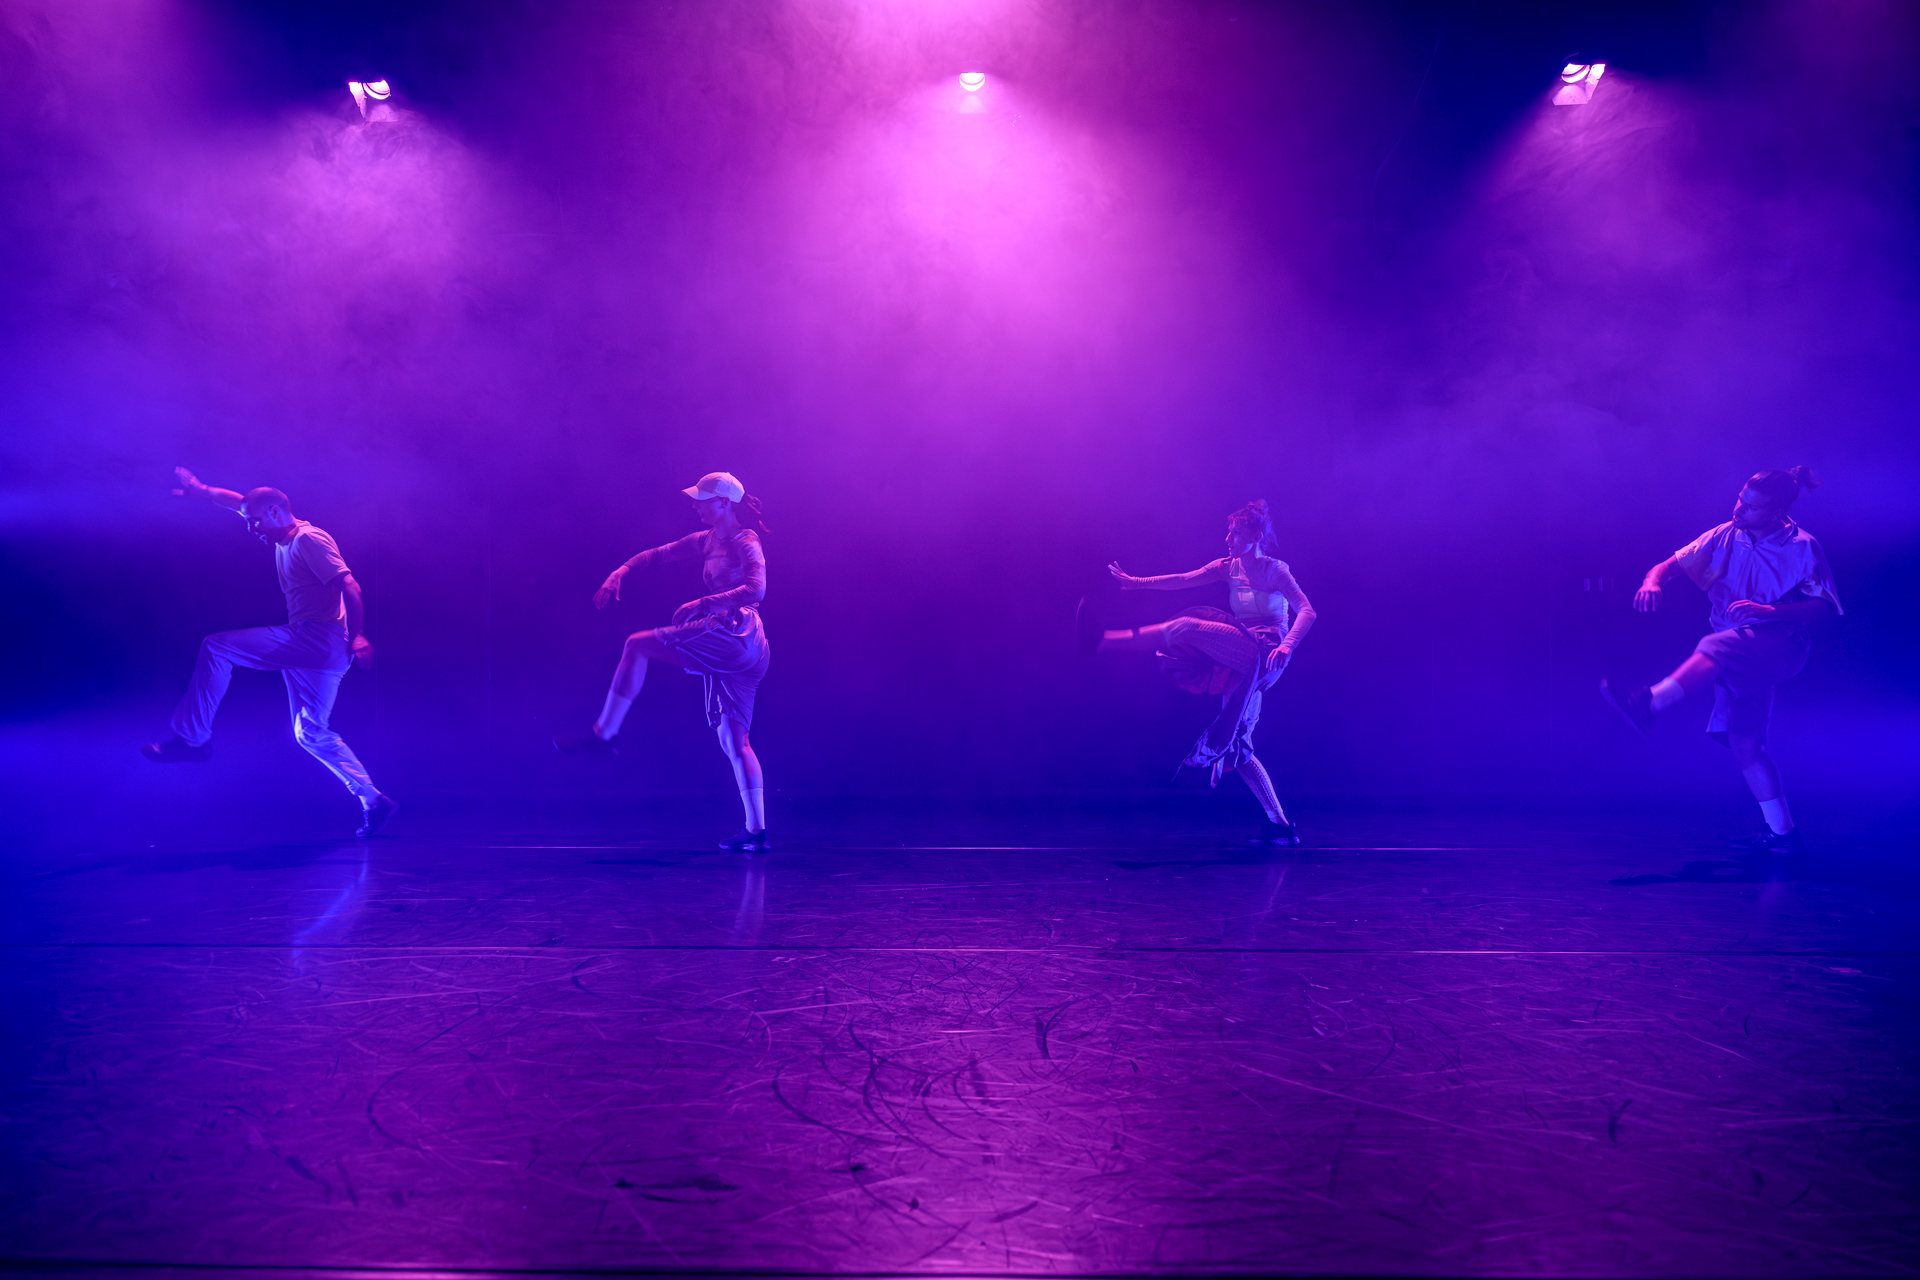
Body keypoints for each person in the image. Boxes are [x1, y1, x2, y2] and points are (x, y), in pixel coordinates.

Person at [1600, 467, 1841, 855]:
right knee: (1746, 743)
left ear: (1777, 511)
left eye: (1751, 507)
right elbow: (1668, 566)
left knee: (1714, 646)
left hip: (1779, 646)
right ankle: (1783, 835)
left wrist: (1769, 610)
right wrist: (1652, 582)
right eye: (1740, 500)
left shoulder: (1802, 546)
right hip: (1738, 648)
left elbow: (1825, 607)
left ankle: (1649, 703)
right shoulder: (1725, 534)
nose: (1739, 509)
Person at [146, 468, 397, 838]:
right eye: (248, 522)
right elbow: (239, 503)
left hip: (317, 638)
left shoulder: (309, 539)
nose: (251, 529)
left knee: (217, 647)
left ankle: (193, 740)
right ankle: (373, 800)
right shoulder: (275, 526)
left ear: (276, 512)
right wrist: (204, 491)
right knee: (309, 732)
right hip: (318, 651)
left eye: (255, 522)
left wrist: (357, 635)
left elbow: (351, 586)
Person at [557, 472, 772, 852]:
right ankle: (757, 833)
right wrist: (621, 571)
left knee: (637, 645)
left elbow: (757, 588)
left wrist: (703, 603)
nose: (696, 506)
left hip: (736, 634)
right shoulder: (706, 540)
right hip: (743, 648)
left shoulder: (745, 540)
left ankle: (604, 735)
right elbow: (658, 555)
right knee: (735, 741)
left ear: (724, 503)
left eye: (703, 499)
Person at [1083, 499, 1317, 845]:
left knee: (1188, 627)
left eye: (1235, 533)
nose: (1228, 539)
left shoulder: (1274, 570)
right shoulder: (1228, 567)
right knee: (1238, 746)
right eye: (1228, 532)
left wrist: (1287, 646)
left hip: (1267, 651)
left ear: (1255, 536)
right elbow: (1183, 579)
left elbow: (1307, 611)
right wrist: (1136, 582)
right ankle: (1281, 826)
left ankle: (1102, 641)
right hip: (1244, 650)